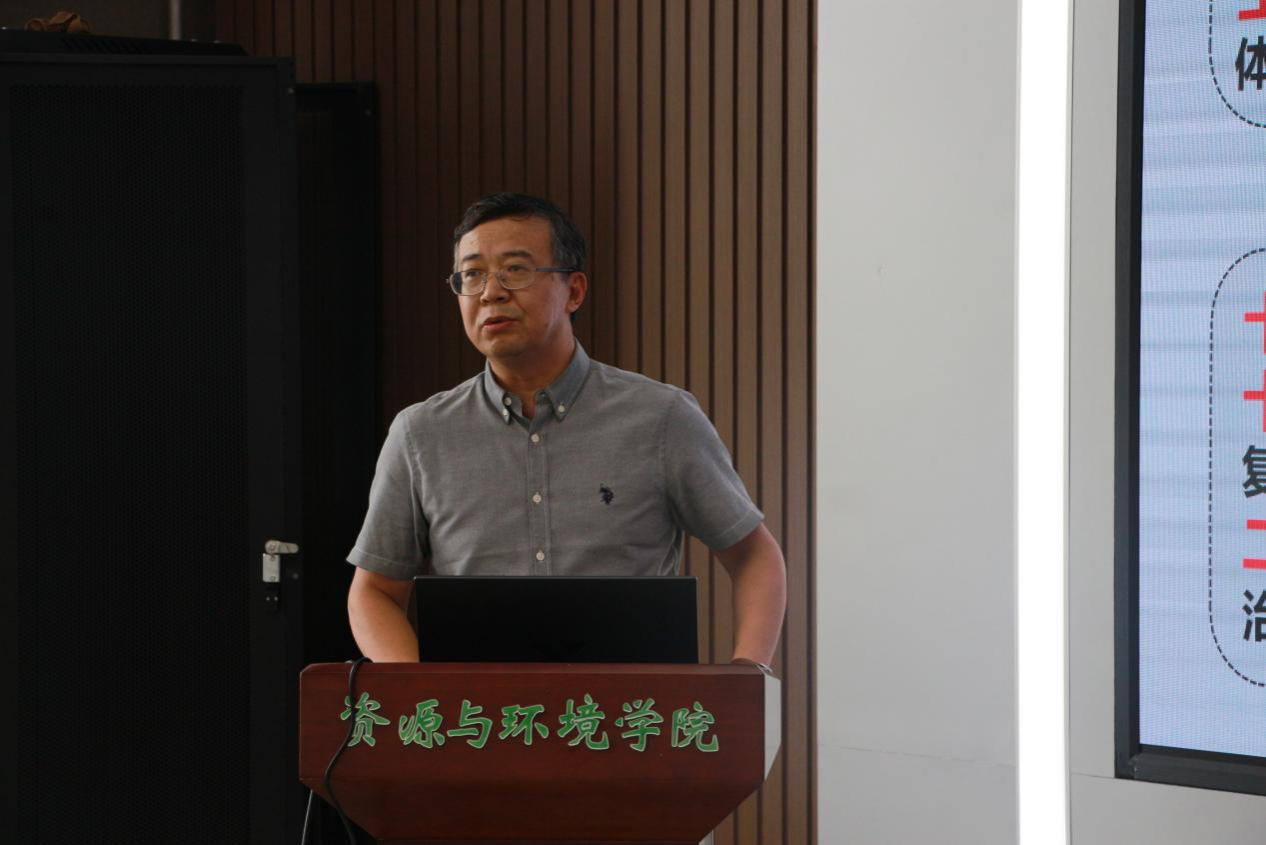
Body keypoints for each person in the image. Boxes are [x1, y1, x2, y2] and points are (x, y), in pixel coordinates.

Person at [346, 192, 787, 668]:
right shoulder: (420, 433)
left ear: (573, 291)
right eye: (471, 275)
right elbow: (374, 592)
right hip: (477, 712)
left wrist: (747, 676)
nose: (490, 292)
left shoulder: (661, 417)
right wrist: (420, 691)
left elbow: (753, 556)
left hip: (633, 709)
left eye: (515, 269)